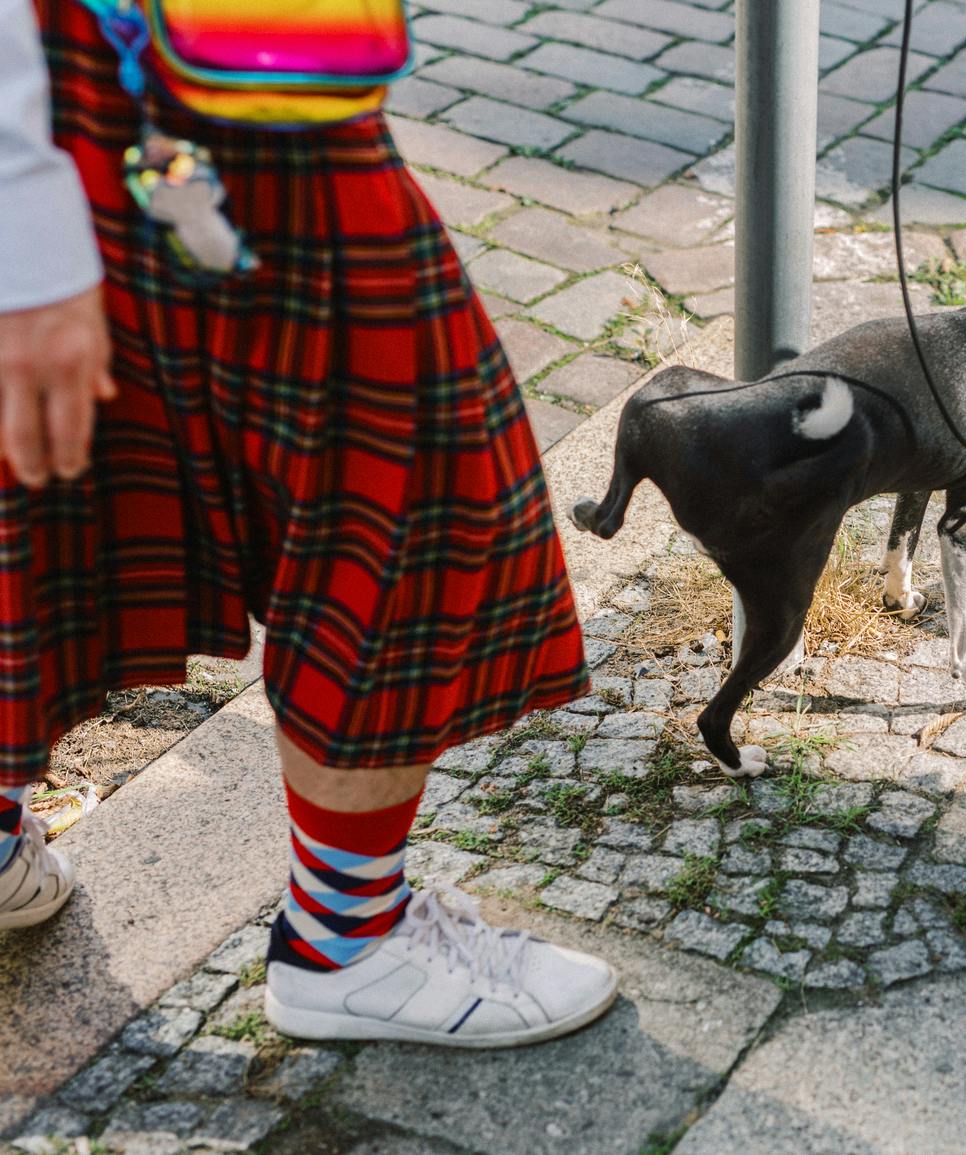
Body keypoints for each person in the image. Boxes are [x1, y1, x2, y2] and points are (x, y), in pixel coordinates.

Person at [0, 0, 619, 1047]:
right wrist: (23, 228)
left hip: (179, 68)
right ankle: (347, 945)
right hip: (161, 80)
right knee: (411, 487)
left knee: (44, 488)